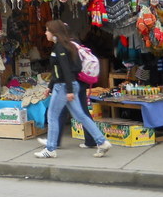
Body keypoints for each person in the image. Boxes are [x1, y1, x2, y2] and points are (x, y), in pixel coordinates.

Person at [34, 20, 111, 159]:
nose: (45, 33)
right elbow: (61, 70)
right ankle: (102, 141)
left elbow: (65, 70)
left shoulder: (60, 48)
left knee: (52, 116)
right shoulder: (67, 46)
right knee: (80, 115)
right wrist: (50, 87)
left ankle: (50, 149)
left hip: (63, 86)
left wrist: (68, 90)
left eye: (47, 30)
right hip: (68, 85)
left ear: (54, 32)